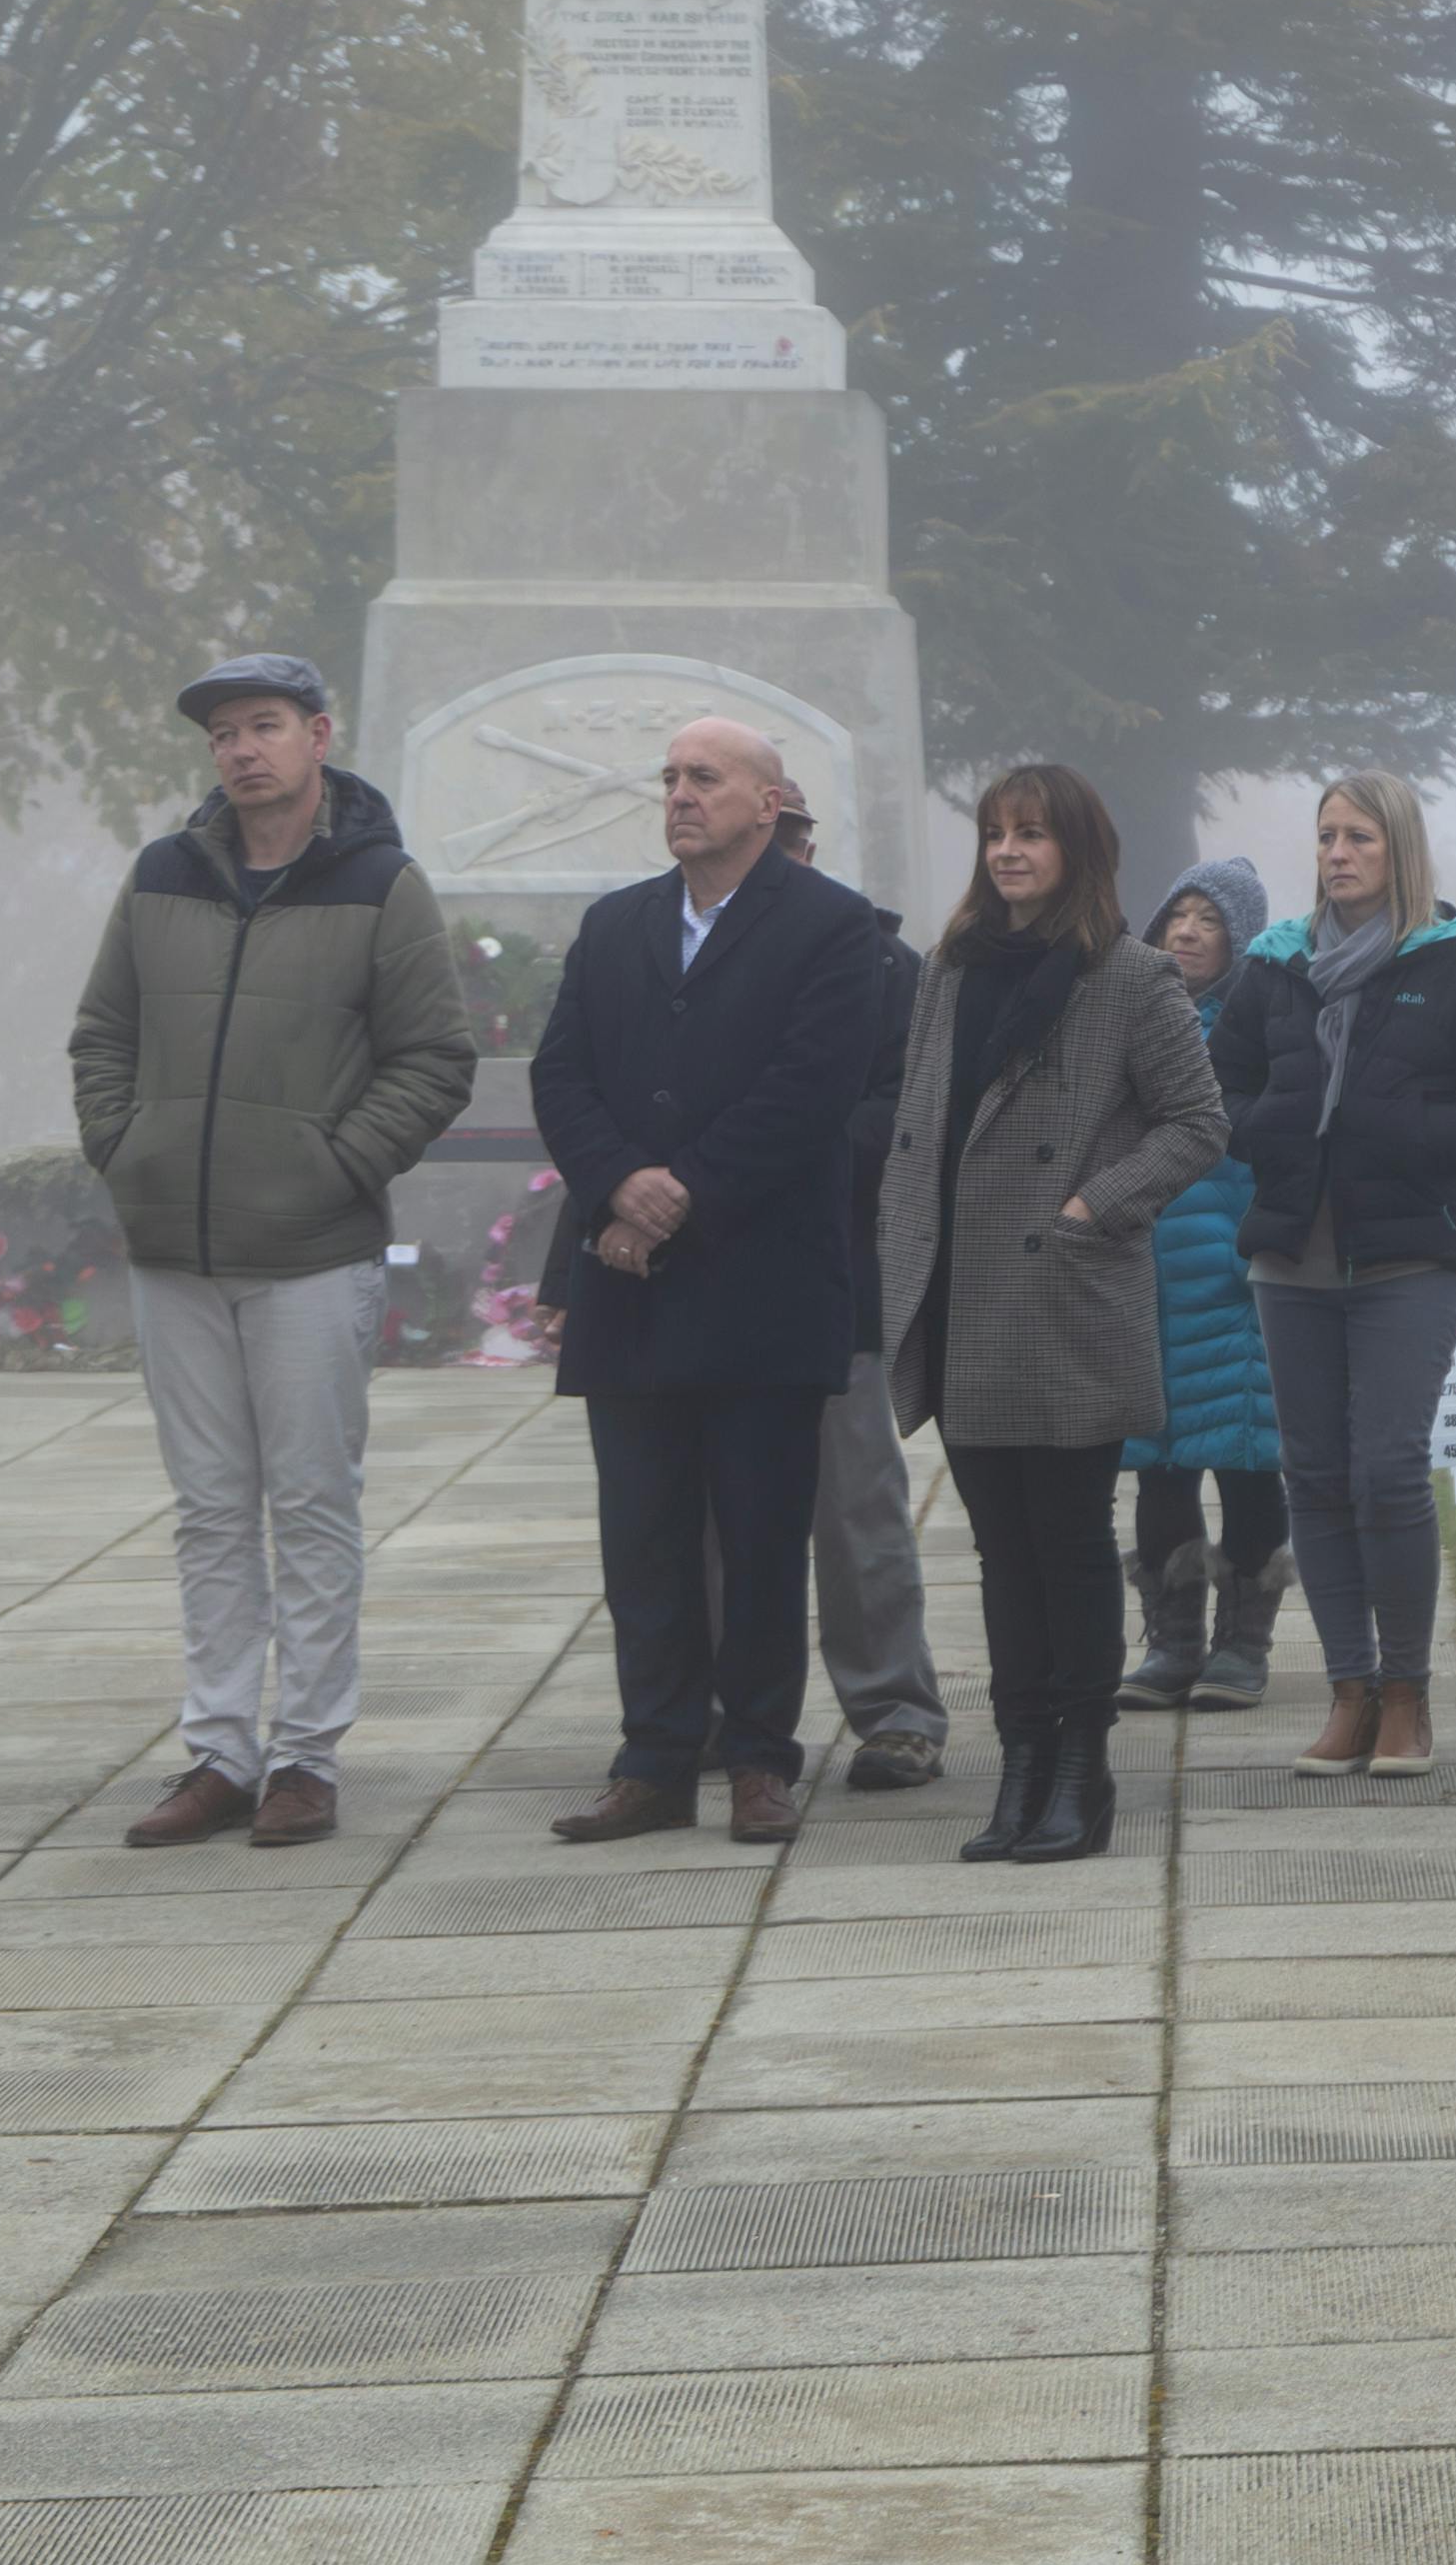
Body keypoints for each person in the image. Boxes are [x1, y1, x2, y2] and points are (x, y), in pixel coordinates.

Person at [69, 652, 476, 1855]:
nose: (242, 749)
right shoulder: (160, 878)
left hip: (309, 1253)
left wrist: (331, 1163)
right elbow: (103, 1031)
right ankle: (217, 1754)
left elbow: (433, 1060)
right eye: (223, 734)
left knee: (309, 1505)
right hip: (172, 1248)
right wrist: (124, 1145)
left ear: (317, 734)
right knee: (206, 1511)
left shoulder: (382, 884)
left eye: (264, 725)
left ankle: (305, 1756)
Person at [527, 718, 899, 1846]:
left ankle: (758, 1758)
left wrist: (676, 1194)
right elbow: (563, 1072)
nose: (682, 795)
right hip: (629, 1284)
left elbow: (811, 1089)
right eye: (672, 778)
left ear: (770, 801)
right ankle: (653, 1759)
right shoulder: (617, 923)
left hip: (762, 1282)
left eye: (706, 778)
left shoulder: (833, 930)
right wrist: (614, 1187)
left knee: (760, 1530)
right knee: (641, 1536)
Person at [872, 766, 1230, 1864]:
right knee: (1000, 1551)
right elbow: (920, 1123)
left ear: (1077, 848)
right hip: (962, 1291)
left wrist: (1093, 1204)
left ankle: (1082, 1770)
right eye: (993, 834)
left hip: (1065, 1290)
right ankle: (1019, 1764)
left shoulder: (1130, 977)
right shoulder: (950, 971)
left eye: (1029, 835)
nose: (1007, 853)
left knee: (1068, 1544)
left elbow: (1197, 1123)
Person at [1227, 772, 1456, 1779]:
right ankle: (1348, 1693)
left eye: (1359, 836)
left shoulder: (1448, 968)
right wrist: (1264, 1129)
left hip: (1409, 1256)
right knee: (1312, 1476)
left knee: (1387, 1469)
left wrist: (1409, 1132)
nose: (1338, 853)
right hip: (1291, 1257)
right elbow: (1215, 1083)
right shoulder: (1275, 967)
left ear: (1397, 849)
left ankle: (1407, 1698)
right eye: (1326, 836)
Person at [770, 778, 951, 1790]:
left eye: (796, 838)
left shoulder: (885, 969)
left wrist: (787, 1154)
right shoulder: (672, 950)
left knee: (857, 1509)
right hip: (708, 1278)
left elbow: (911, 1112)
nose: (783, 855)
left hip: (835, 1266)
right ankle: (725, 1710)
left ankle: (895, 1710)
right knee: (710, 1517)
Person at [1115, 857, 1287, 1716]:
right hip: (1147, 1282)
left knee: (1250, 1460)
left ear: (1241, 938)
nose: (1185, 931)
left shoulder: (1260, 1030)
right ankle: (1171, 1644)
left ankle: (1242, 1645)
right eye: (1176, 914)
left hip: (1236, 1277)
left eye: (1207, 918)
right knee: (1160, 1468)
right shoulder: (1127, 1022)